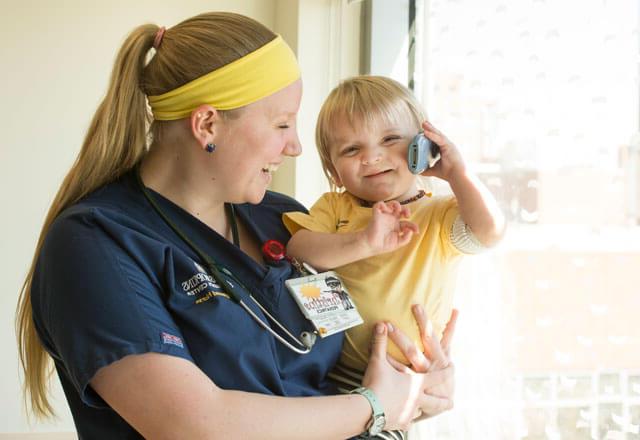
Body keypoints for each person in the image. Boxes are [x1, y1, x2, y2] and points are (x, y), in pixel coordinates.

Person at [15, 12, 458, 439]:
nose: (296, 146)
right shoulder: (95, 244)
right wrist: (375, 407)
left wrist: (416, 377)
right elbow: (194, 426)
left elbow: (349, 368)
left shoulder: (282, 220)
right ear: (207, 124)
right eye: (282, 123)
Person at [284, 76, 505, 386]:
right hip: (332, 375)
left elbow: (490, 232)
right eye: (351, 149)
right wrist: (364, 242)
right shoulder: (335, 207)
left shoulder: (439, 213)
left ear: (424, 146)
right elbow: (297, 251)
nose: (372, 157)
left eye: (389, 140)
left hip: (409, 378)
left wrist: (458, 174)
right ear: (334, 171)